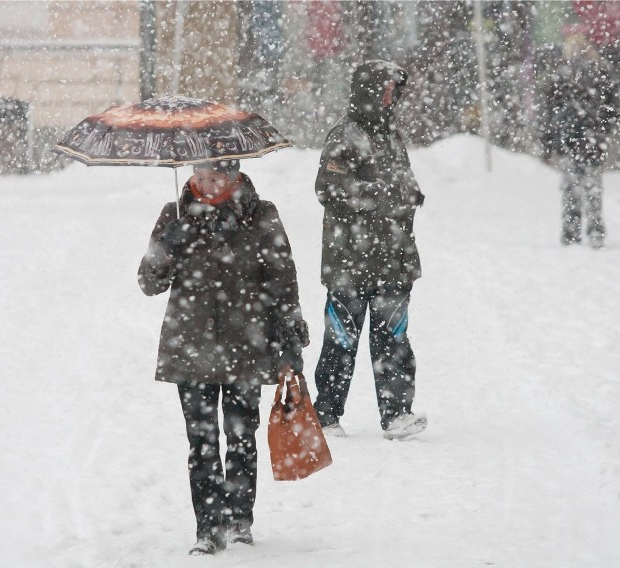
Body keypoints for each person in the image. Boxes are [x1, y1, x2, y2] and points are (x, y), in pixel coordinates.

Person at [137, 159, 308, 556]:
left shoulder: (261, 215)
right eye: (199, 177)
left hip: (245, 345)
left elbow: (283, 279)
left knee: (240, 437)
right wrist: (166, 248)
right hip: (190, 346)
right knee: (201, 442)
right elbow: (148, 283)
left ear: (234, 177)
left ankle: (239, 520)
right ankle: (207, 528)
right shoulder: (175, 214)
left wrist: (289, 341)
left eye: (214, 178)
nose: (204, 184)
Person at [312, 60, 427, 441]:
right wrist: (377, 196)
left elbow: (400, 182)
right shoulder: (346, 135)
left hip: (393, 259)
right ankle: (326, 415)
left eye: (395, 90)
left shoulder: (392, 135)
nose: (391, 96)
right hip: (350, 260)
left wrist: (409, 195)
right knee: (340, 340)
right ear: (369, 91)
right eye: (386, 89)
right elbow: (328, 188)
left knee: (394, 339)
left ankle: (397, 414)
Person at [540, 37, 620, 249]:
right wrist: (603, 130)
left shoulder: (566, 78)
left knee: (574, 189)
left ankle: (573, 232)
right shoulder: (599, 76)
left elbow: (549, 114)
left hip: (574, 141)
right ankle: (591, 231)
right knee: (589, 189)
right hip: (585, 142)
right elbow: (613, 109)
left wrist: (549, 143)